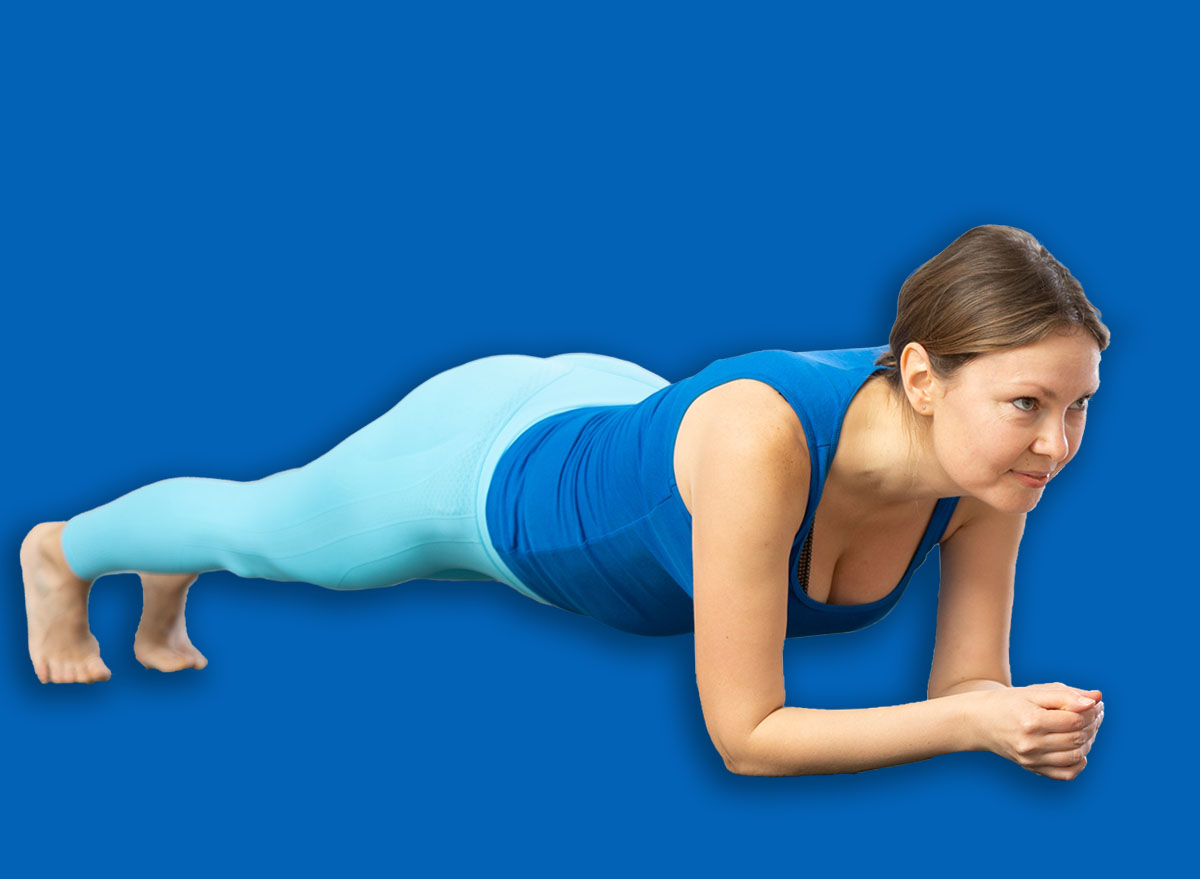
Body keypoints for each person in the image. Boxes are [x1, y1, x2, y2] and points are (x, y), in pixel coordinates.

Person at [21, 224, 1108, 780]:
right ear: (921, 378)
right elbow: (748, 735)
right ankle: (67, 554)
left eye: (1078, 407)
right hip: (479, 472)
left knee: (245, 542)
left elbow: (969, 681)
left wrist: (1015, 719)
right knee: (266, 533)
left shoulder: (992, 465)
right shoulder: (762, 442)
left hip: (622, 414)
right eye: (1029, 403)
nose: (1057, 444)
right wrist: (969, 724)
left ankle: (173, 568)